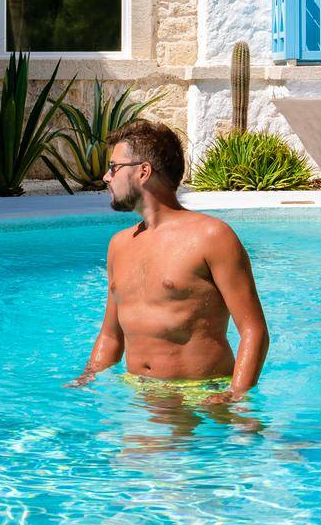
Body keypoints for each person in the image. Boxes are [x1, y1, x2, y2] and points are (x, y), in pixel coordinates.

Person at [68, 118, 269, 403]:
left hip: (202, 396)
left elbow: (253, 329)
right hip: (140, 392)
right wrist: (86, 379)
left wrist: (235, 395)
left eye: (114, 167)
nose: (106, 177)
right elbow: (111, 336)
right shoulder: (119, 245)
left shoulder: (212, 236)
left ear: (143, 171)